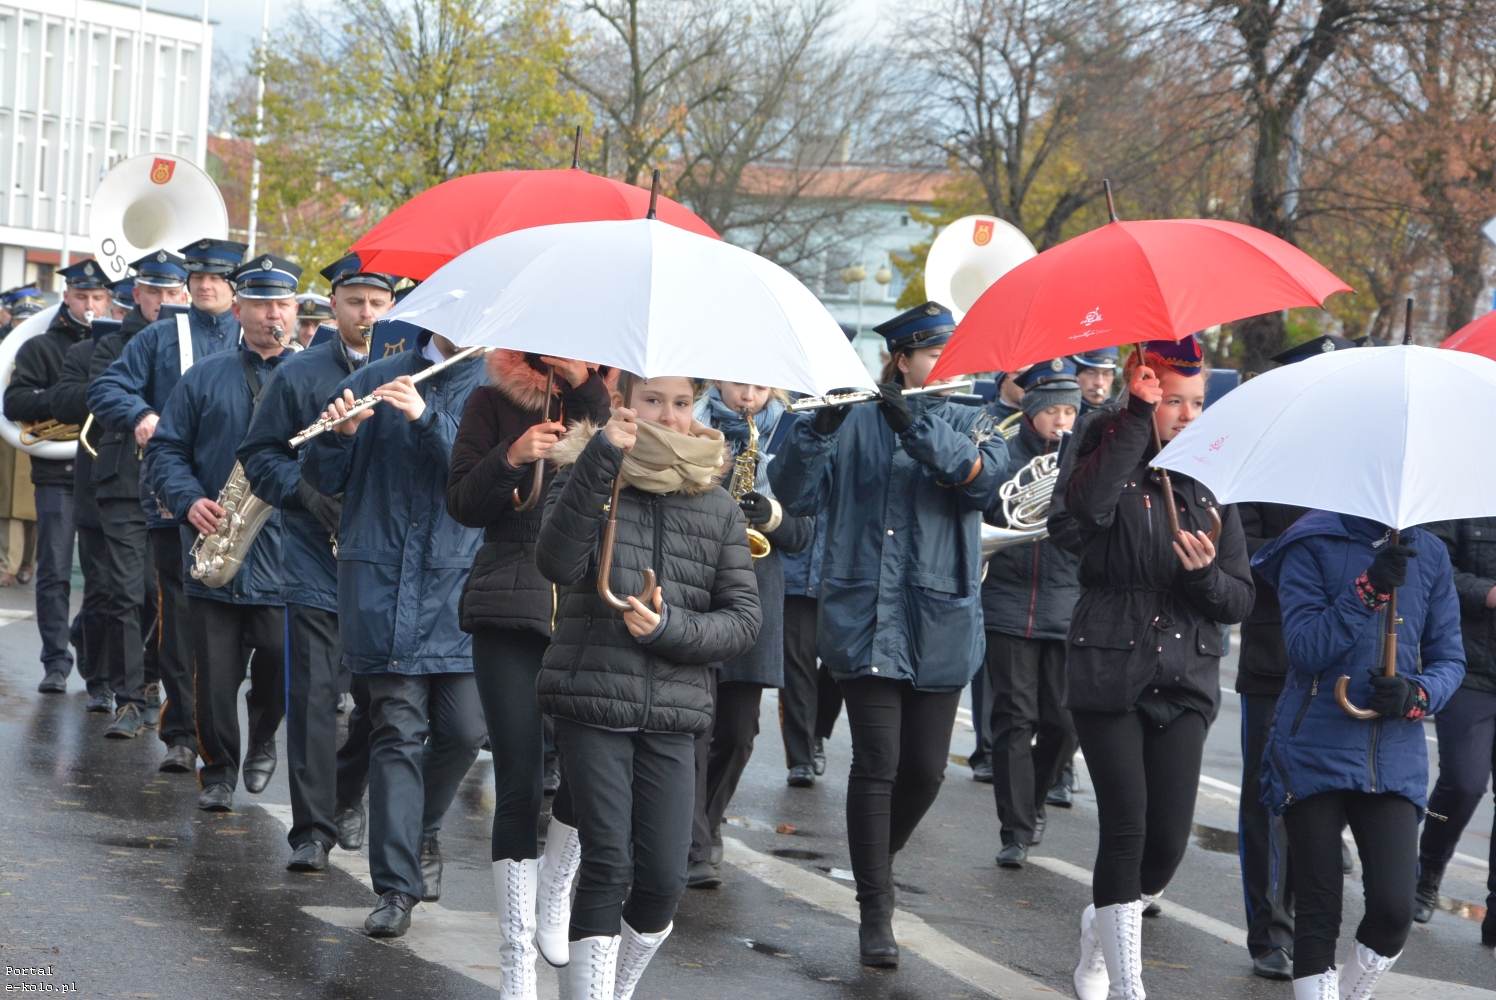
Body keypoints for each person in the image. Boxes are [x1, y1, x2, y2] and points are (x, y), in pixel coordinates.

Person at [772, 301, 1006, 968]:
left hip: (940, 618)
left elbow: (984, 486)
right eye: (934, 354)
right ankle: (877, 908)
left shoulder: (974, 416)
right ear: (902, 360)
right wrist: (819, 426)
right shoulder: (854, 418)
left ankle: (874, 858)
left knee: (927, 771)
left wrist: (922, 429)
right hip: (865, 613)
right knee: (877, 761)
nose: (946, 365)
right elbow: (793, 494)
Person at [536, 371, 760, 998]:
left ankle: (617, 986)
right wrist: (603, 459)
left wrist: (669, 627)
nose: (669, 416)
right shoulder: (591, 470)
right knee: (608, 862)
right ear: (623, 404)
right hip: (592, 695)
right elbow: (555, 563)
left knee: (664, 880)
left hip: (675, 711)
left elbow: (743, 619)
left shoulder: (716, 504)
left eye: (682, 403)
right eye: (653, 401)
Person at [1047, 336, 1253, 1000]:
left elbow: (1240, 594)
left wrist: (1204, 578)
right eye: (1173, 400)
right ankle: (1124, 980)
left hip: (1185, 674)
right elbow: (1085, 514)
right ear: (1145, 389)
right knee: (1127, 825)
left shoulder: (1213, 479)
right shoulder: (1100, 444)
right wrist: (1133, 420)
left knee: (1166, 843)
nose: (1189, 414)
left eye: (1197, 402)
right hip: (1112, 665)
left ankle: (1100, 925)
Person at [304, 326, 487, 940]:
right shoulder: (369, 381)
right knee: (397, 731)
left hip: (458, 589)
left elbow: (485, 487)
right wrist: (340, 435)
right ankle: (395, 888)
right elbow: (324, 478)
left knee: (463, 733)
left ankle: (422, 826)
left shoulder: (500, 395)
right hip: (380, 583)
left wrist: (426, 418)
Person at [444, 350, 611, 994]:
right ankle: (515, 960)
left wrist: (585, 389)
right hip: (508, 605)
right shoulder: (492, 402)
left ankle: (556, 894)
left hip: (588, 609)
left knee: (585, 771)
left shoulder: (618, 400)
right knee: (518, 774)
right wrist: (511, 457)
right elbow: (462, 501)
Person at [1255, 512, 1465, 998]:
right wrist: (1368, 589)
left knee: (1394, 912)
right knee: (1318, 907)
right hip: (1312, 748)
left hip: (1392, 757)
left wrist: (1416, 694)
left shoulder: (1430, 553)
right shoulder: (1310, 542)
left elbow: (1449, 657)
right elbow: (1305, 648)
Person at [238, 254, 396, 869]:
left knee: (380, 698)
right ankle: (311, 830)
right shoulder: (300, 374)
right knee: (312, 693)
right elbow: (260, 454)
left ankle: (347, 792)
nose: (364, 314)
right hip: (313, 554)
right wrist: (305, 494)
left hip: (383, 561)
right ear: (332, 307)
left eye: (375, 303)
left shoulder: (409, 375)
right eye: (353, 301)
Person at [89, 238, 247, 774]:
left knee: (259, 634)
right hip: (173, 504)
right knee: (181, 623)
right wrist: (139, 414)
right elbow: (107, 387)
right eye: (197, 276)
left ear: (235, 284)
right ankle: (182, 734)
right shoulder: (161, 335)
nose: (205, 285)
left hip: (250, 511)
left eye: (217, 277)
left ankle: (254, 731)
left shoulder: (259, 336)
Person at [149, 254, 299, 813]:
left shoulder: (313, 377)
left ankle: (264, 736)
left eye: (281, 304)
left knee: (281, 662)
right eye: (260, 304)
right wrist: (189, 502)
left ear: (298, 312)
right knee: (212, 677)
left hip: (287, 555)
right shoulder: (204, 377)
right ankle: (218, 771)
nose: (271, 315)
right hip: (215, 547)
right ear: (239, 310)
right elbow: (165, 449)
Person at [687, 381, 811, 889]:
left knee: (739, 734)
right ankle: (692, 841)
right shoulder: (690, 420)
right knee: (692, 726)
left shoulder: (792, 431)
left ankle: (707, 823)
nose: (750, 395)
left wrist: (774, 516)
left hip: (756, 593)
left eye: (761, 386)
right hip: (693, 585)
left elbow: (805, 533)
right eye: (740, 383)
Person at [981, 359, 1081, 869]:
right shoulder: (1001, 453)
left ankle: (1036, 799)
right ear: (1033, 411)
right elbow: (985, 508)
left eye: (1070, 411)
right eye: (1054, 411)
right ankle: (1015, 828)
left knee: (1063, 721)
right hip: (1007, 597)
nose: (1062, 421)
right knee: (1014, 718)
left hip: (1066, 601)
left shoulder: (1083, 459)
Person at [87, 250, 188, 739]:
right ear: (138, 294)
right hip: (126, 479)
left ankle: (149, 677)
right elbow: (98, 391)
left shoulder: (192, 342)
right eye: (154, 292)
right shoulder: (113, 342)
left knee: (157, 592)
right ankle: (127, 698)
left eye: (172, 293)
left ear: (184, 295)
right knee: (127, 589)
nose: (162, 301)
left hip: (173, 485)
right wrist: (142, 414)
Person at [4, 260, 109, 695]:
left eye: (97, 297)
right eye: (82, 296)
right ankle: (54, 661)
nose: (89, 304)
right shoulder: (40, 347)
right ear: (67, 297)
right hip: (58, 471)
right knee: (54, 571)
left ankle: (83, 637)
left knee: (109, 577)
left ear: (108, 299)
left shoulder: (118, 344)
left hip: (105, 469)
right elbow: (14, 402)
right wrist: (65, 401)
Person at [1415, 517, 1496, 951]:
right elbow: (1434, 564)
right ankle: (1427, 872)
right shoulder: (1465, 497)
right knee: (1463, 784)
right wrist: (1485, 593)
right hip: (1468, 669)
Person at [47, 315, 119, 717]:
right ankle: (102, 682)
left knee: (145, 594)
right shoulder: (85, 351)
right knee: (103, 588)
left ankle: (129, 671)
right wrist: (108, 386)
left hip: (153, 487)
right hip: (98, 485)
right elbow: (61, 401)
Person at [1071, 347, 1119, 416]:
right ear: (1075, 375)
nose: (1099, 383)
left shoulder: (1120, 415)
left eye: (1107, 374)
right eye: (1091, 373)